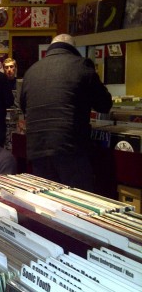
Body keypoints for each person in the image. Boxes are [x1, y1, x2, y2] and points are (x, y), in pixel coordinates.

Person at [20, 33, 112, 192]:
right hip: (70, 149)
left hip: (37, 150)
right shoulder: (82, 66)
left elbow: (24, 107)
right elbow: (104, 104)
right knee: (78, 201)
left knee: (46, 201)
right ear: (73, 48)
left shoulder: (31, 71)